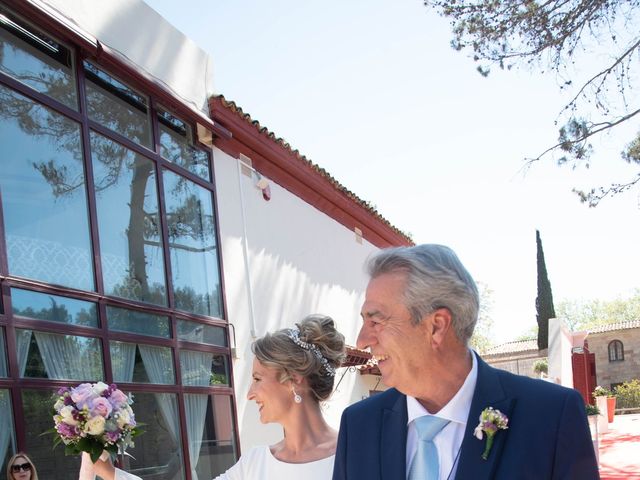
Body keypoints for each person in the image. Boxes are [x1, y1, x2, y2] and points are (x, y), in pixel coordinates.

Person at [332, 244, 599, 480]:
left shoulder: (552, 416)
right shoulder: (358, 427)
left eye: (376, 321)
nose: (362, 339)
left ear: (436, 327)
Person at [214, 313, 346, 479]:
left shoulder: (353, 456)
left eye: (257, 379)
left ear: (294, 378)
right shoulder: (253, 465)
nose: (249, 394)